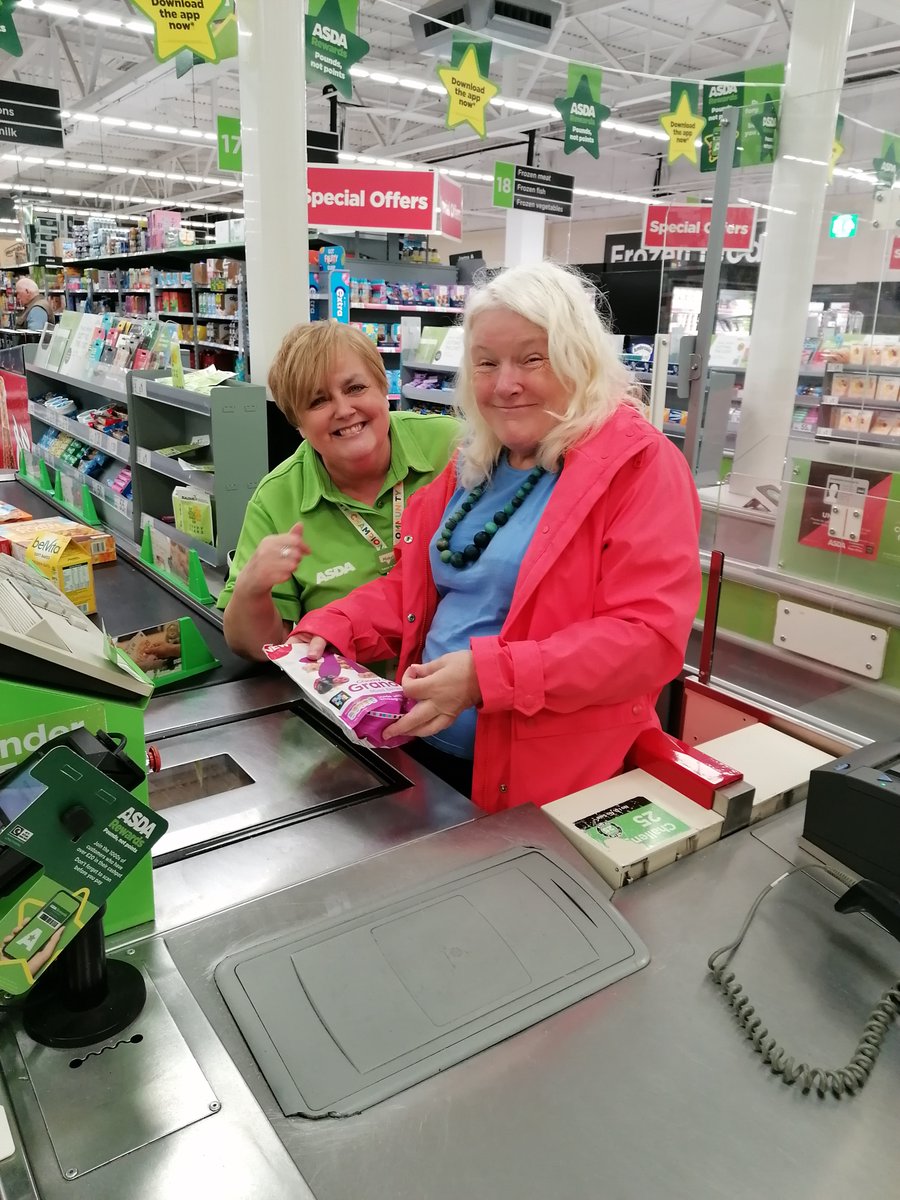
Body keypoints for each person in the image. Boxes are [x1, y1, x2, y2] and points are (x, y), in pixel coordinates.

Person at [290, 261, 702, 813]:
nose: (506, 384)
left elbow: (647, 641)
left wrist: (489, 677)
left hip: (544, 786)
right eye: (487, 363)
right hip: (424, 757)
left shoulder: (640, 466)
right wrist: (338, 623)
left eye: (532, 359)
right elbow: (420, 589)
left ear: (577, 358)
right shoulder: (475, 464)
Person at [219, 321, 458, 661]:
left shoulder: (452, 447)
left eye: (356, 388)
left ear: (382, 388)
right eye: (318, 401)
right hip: (350, 703)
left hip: (465, 694)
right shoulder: (276, 499)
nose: (344, 410)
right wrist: (251, 589)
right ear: (298, 424)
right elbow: (259, 647)